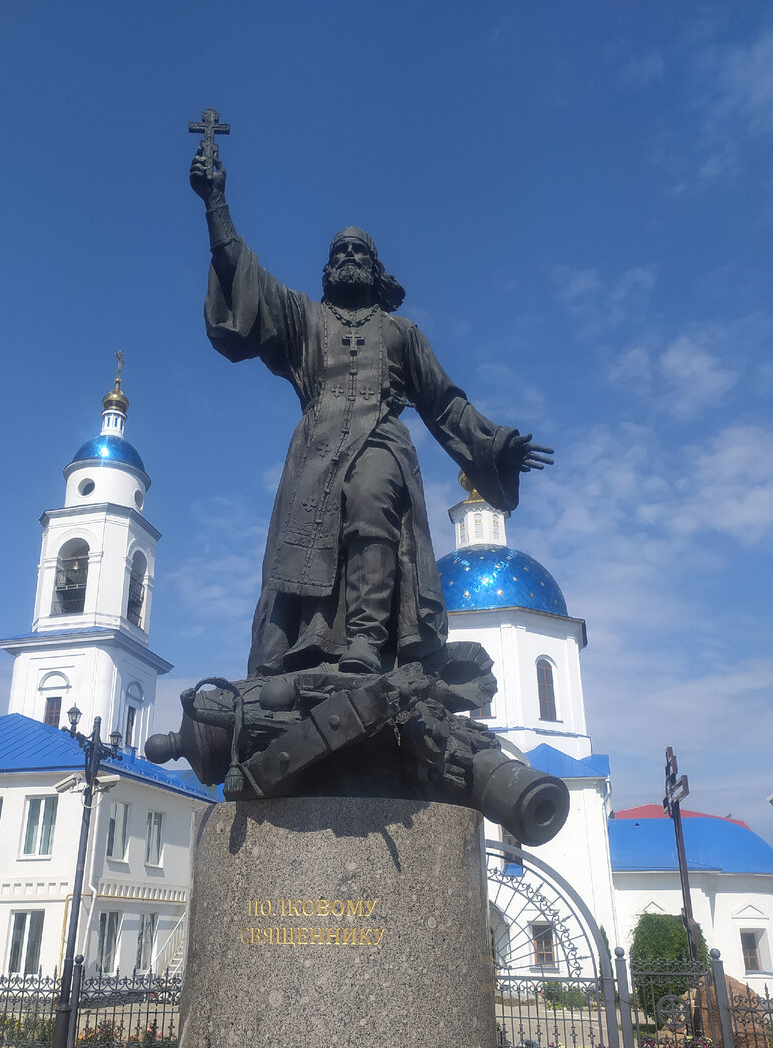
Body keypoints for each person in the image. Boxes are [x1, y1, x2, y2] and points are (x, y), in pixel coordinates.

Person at [191, 145, 553, 678]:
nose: (349, 258)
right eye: (340, 252)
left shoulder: (401, 332)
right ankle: (309, 644)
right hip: (316, 446)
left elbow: (444, 401)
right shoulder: (304, 319)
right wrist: (215, 202)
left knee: (370, 502)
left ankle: (367, 638)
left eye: (360, 252)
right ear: (328, 268)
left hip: (381, 435)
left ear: (376, 269)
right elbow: (245, 275)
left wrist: (494, 442)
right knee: (305, 541)